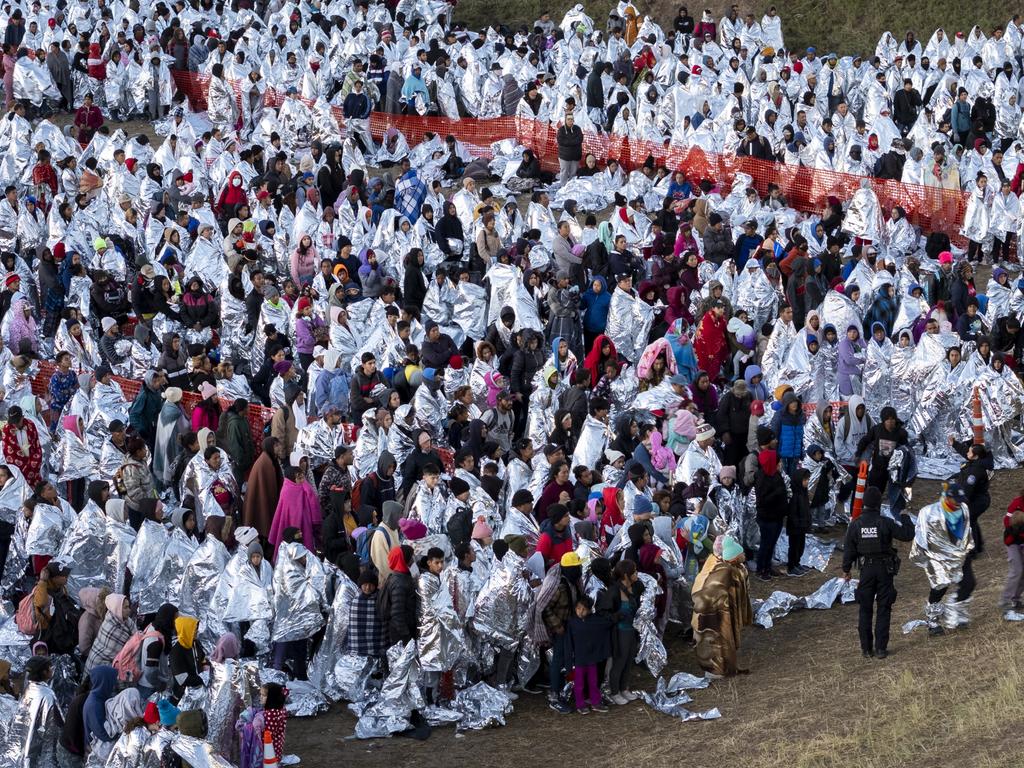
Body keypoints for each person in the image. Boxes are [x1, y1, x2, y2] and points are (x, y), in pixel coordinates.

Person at [842, 486, 915, 659]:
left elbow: (849, 549)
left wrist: (846, 570)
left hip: (866, 571)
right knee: (884, 607)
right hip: (884, 570)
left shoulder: (856, 524)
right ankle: (881, 648)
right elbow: (907, 534)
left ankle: (866, 649)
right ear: (878, 503)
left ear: (864, 504)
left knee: (865, 609)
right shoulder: (885, 522)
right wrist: (904, 515)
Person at [910, 483, 975, 635]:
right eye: (956, 499)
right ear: (948, 497)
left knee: (969, 583)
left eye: (961, 499)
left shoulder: (964, 509)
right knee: (940, 586)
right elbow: (921, 535)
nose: (959, 502)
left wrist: (968, 547)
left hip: (959, 554)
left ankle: (956, 613)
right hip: (938, 557)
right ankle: (933, 622)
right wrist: (924, 555)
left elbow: (967, 529)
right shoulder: (929, 513)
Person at [691, 535, 753, 676]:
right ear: (733, 558)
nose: (744, 555)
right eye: (741, 554)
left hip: (716, 610)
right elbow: (706, 592)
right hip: (711, 615)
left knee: (719, 639)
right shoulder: (722, 571)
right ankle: (716, 670)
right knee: (715, 640)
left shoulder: (721, 563)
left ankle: (722, 667)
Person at [598, 558, 643, 705]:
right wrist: (616, 616)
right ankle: (615, 691)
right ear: (625, 575)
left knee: (629, 659)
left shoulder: (635, 587)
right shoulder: (614, 591)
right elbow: (603, 612)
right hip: (620, 631)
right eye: (634, 572)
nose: (637, 574)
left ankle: (624, 688)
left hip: (631, 630)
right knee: (619, 661)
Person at [566, 594, 611, 714]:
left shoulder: (594, 621)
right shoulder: (572, 623)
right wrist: (569, 662)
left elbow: (606, 624)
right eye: (578, 608)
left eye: (584, 609)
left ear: (589, 610)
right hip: (579, 660)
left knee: (593, 682)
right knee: (579, 683)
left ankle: (595, 702)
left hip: (592, 658)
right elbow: (568, 644)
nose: (581, 611)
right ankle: (580, 704)